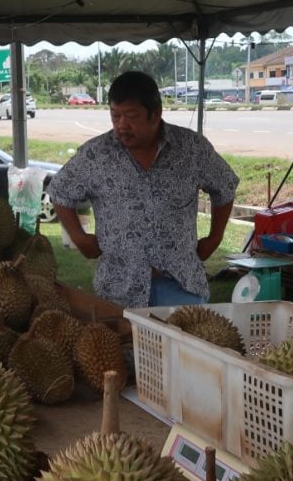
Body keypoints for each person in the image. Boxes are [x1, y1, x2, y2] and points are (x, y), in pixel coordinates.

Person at [48, 71, 239, 309]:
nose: (121, 125)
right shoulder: (96, 154)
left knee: (183, 346)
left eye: (131, 116)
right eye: (115, 115)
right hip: (118, 289)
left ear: (156, 113)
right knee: (120, 347)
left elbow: (225, 186)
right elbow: (60, 191)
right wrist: (78, 236)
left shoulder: (191, 148)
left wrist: (215, 236)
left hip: (181, 287)